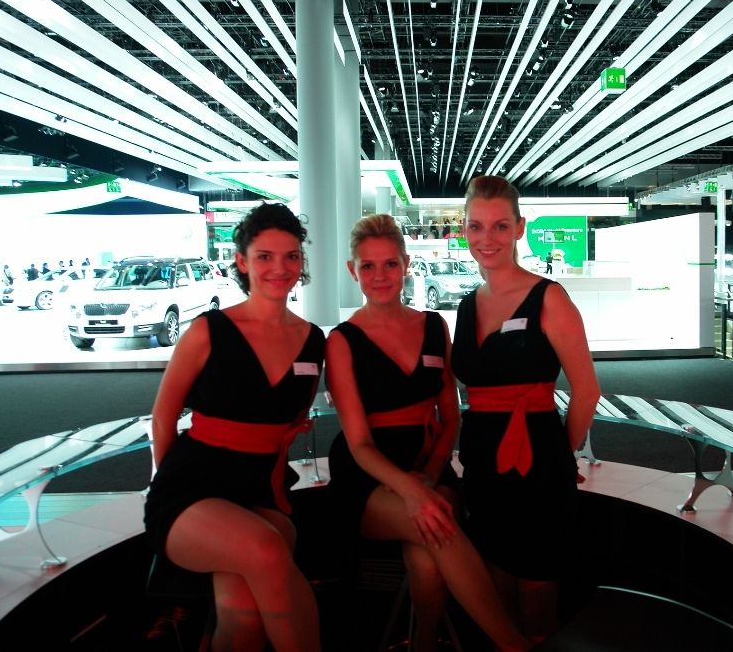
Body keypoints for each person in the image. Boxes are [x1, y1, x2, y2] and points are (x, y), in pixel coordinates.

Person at [326, 214, 530, 652]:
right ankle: (512, 644)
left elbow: (450, 417)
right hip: (369, 477)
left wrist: (430, 475)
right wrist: (413, 490)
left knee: (429, 560)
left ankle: (422, 643)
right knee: (437, 523)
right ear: (352, 270)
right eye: (367, 266)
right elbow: (359, 444)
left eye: (390, 264)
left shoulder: (435, 327)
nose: (380, 276)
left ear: (406, 264)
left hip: (429, 464)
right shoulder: (342, 341)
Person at [144, 203, 324, 652]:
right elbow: (163, 416)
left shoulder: (312, 340)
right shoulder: (208, 330)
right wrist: (166, 481)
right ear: (242, 262)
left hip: (258, 490)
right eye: (265, 256)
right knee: (267, 549)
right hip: (191, 492)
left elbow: (294, 414)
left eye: (291, 256)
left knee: (243, 622)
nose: (279, 268)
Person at [452, 175, 601, 643]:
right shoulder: (467, 306)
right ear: (464, 229)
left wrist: (559, 455)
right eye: (477, 226)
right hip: (482, 460)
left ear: (519, 228)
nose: (487, 238)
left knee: (536, 590)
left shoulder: (548, 297)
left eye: (500, 226)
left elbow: (587, 390)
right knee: (495, 583)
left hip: (538, 460)